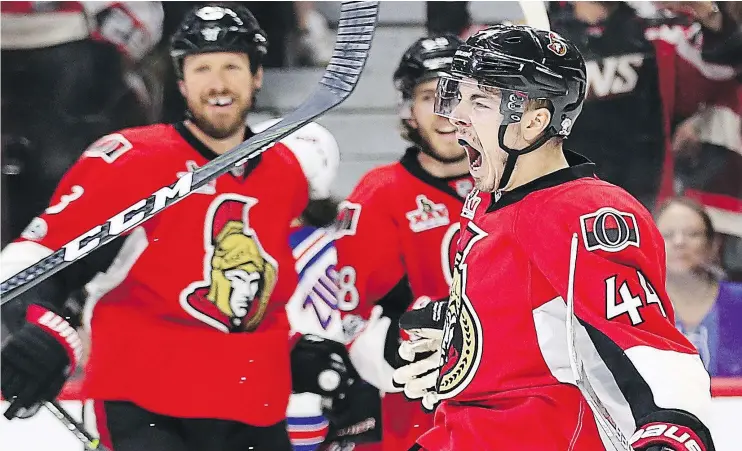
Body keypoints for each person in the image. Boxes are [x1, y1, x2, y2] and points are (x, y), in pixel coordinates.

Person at [1, 5, 357, 451]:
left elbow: (266, 294)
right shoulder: (131, 158)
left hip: (253, 408)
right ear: (183, 82)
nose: (219, 83)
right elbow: (33, 257)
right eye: (202, 68)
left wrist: (295, 349)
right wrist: (39, 325)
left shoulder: (284, 170)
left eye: (232, 66)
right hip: (147, 407)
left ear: (257, 76)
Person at [392, 25, 714, 451]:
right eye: (459, 97)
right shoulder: (487, 203)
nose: (456, 117)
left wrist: (672, 429)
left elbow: (648, 348)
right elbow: (536, 319)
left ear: (533, 121)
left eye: (480, 102)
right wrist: (466, 339)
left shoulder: (585, 212)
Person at [332, 34, 473, 451]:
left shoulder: (520, 188)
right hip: (420, 420)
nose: (447, 111)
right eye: (431, 95)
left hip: (516, 413)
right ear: (408, 110)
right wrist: (414, 340)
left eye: (459, 94)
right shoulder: (379, 195)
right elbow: (356, 325)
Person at [547, 1, 740, 210]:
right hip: (560, 195)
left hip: (646, 194)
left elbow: (715, 75)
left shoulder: (659, 29)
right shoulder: (539, 31)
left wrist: (709, 16)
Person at [1, 1, 164, 246]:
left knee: (66, 171)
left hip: (76, 46)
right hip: (67, 44)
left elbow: (143, 18)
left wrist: (114, 42)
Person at [655, 197, 742, 376]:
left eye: (692, 234)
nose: (679, 242)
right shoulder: (636, 305)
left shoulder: (738, 301)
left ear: (713, 244)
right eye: (668, 235)